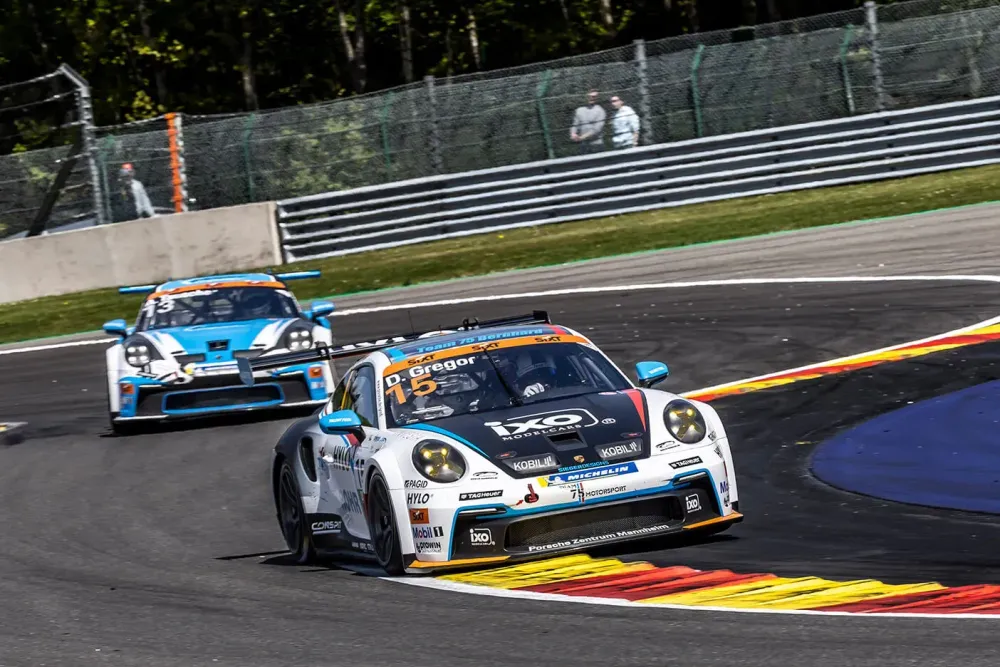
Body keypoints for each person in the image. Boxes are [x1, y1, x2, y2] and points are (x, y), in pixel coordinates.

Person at [569, 89, 606, 154]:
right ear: (586, 96)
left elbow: (596, 129)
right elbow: (575, 125)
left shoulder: (600, 111)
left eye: (594, 97)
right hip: (583, 146)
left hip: (596, 145)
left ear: (597, 98)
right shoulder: (579, 110)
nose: (592, 98)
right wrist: (573, 134)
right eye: (590, 96)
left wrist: (581, 137)